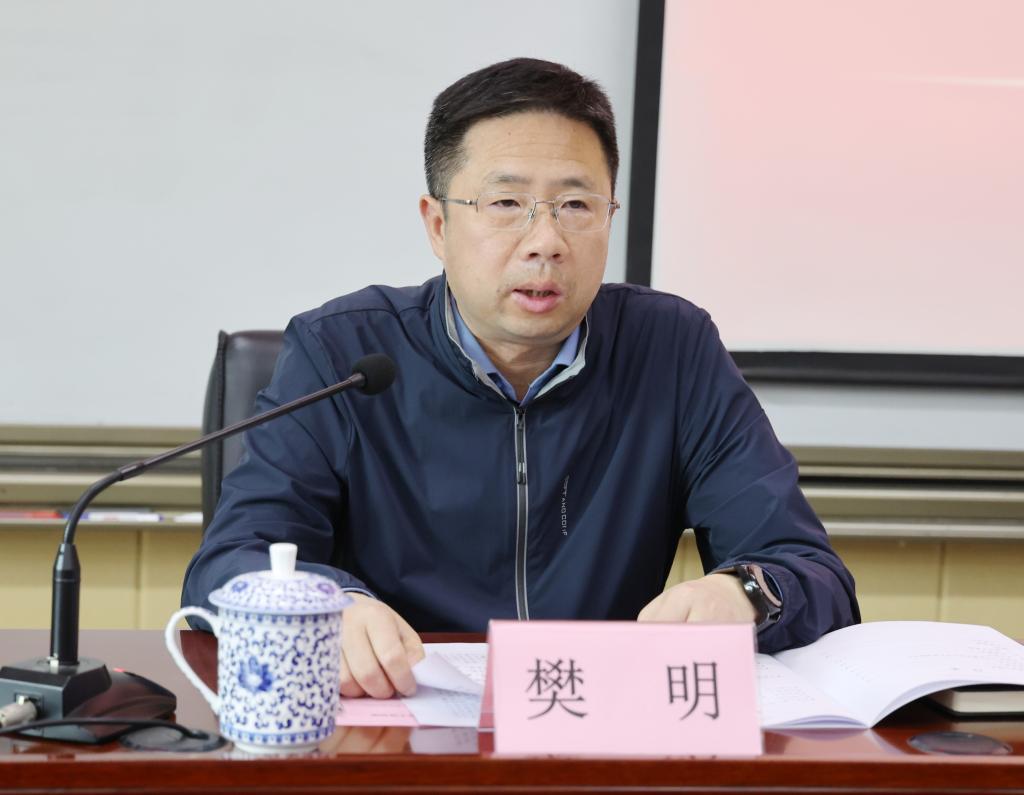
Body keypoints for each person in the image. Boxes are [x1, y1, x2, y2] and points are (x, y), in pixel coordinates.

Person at [182, 57, 859, 700]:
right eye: (506, 202)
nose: (546, 242)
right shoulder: (342, 353)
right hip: (398, 722)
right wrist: (331, 605)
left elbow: (812, 573)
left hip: (598, 728)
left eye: (576, 205)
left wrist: (746, 594)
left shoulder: (671, 350)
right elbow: (230, 562)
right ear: (438, 224)